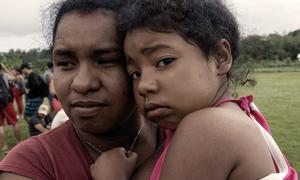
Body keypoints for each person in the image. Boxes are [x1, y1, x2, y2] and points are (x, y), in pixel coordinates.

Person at [91, 0, 298, 179]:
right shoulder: (234, 116)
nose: (144, 85)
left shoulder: (209, 127)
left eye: (164, 61)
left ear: (220, 57)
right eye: (135, 73)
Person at [0, 0, 159, 179]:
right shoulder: (32, 165)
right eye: (66, 64)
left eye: (106, 60)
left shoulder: (181, 134)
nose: (82, 83)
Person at [0, 64, 21, 154]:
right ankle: (19, 141)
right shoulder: (3, 75)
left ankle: (4, 146)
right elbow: (15, 78)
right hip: (6, 102)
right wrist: (5, 68)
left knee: (0, 126)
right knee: (14, 122)